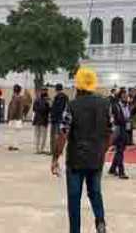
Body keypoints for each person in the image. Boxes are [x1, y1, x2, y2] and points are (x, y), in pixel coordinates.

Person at [52, 67, 111, 233]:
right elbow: (111, 131)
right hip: (96, 158)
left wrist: (55, 158)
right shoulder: (105, 104)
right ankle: (100, 221)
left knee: (74, 198)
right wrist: (102, 150)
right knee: (95, 193)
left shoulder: (72, 106)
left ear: (78, 86)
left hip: (75, 160)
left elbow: (63, 133)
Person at [108, 90, 130, 179]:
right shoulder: (115, 106)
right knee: (120, 150)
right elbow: (117, 119)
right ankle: (121, 171)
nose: (126, 98)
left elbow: (128, 116)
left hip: (124, 129)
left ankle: (112, 168)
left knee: (120, 150)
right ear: (120, 97)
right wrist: (126, 120)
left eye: (126, 96)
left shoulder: (127, 106)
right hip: (118, 129)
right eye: (124, 96)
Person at [50, 83, 69, 156]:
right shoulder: (65, 97)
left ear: (56, 89)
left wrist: (51, 108)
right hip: (62, 119)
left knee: (55, 135)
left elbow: (57, 109)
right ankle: (59, 150)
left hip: (56, 119)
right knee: (60, 135)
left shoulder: (59, 97)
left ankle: (55, 150)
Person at [32, 88, 51, 154]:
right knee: (41, 135)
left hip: (38, 119)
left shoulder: (37, 100)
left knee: (39, 135)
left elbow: (34, 109)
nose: (44, 91)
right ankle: (39, 149)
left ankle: (39, 149)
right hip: (42, 120)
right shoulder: (47, 101)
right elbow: (48, 110)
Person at [7, 84, 24, 151]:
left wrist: (9, 118)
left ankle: (12, 145)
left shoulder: (14, 98)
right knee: (17, 133)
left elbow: (13, 109)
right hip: (19, 118)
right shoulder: (21, 98)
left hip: (13, 118)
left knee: (12, 132)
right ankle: (16, 145)